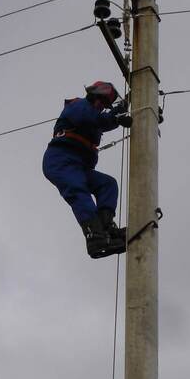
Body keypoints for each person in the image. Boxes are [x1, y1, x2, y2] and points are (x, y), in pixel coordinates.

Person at [42, 81, 132, 259]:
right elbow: (95, 119)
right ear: (92, 96)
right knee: (78, 191)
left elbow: (102, 119)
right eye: (101, 102)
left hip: (78, 166)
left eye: (105, 105)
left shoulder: (94, 114)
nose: (102, 107)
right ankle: (94, 236)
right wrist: (116, 118)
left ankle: (106, 228)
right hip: (60, 161)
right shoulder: (78, 105)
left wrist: (122, 106)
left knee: (108, 184)